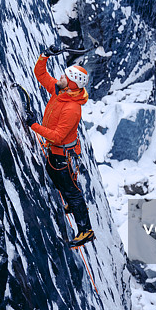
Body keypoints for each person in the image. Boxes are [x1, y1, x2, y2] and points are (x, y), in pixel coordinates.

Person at [26, 47, 95, 247]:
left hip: (63, 155)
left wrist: (34, 126)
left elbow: (57, 137)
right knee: (57, 179)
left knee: (72, 191)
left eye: (64, 76)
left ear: (72, 83)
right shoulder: (61, 91)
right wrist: (45, 55)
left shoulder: (72, 109)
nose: (60, 77)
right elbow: (40, 74)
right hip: (57, 153)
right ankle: (70, 205)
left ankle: (86, 230)